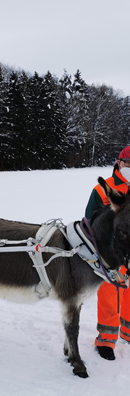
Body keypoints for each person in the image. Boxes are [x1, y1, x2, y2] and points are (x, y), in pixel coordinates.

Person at [85, 145, 130, 361]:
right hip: (109, 251)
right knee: (109, 293)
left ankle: (128, 332)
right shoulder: (104, 189)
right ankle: (106, 340)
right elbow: (89, 219)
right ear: (119, 163)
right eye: (128, 163)